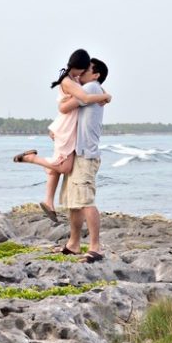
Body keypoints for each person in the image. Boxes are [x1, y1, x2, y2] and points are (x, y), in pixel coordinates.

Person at [13, 49, 111, 222]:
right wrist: (106, 96)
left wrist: (101, 91)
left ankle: (49, 201)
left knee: (58, 166)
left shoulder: (78, 82)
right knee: (63, 167)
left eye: (88, 70)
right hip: (67, 129)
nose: (83, 73)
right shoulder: (75, 84)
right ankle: (31, 158)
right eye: (84, 68)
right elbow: (73, 103)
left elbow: (82, 96)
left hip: (68, 130)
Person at [59, 57, 109, 262]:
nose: (81, 73)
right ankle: (74, 244)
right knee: (75, 202)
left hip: (86, 155)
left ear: (96, 74)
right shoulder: (93, 90)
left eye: (87, 69)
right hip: (79, 152)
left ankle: (95, 247)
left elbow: (64, 107)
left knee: (86, 201)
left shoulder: (92, 88)